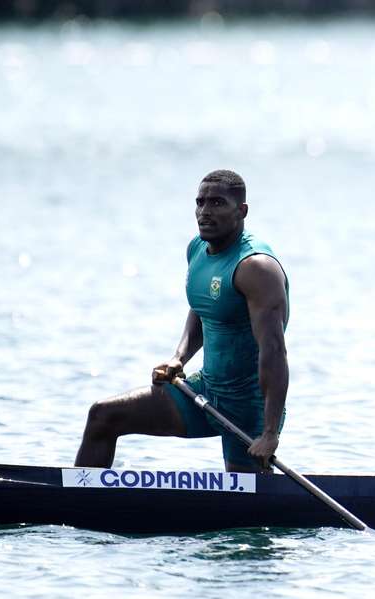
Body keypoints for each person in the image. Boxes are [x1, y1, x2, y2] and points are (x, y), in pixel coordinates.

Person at [75, 169, 289, 473]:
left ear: (242, 211)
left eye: (216, 203)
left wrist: (269, 434)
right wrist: (179, 357)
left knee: (252, 509)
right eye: (200, 203)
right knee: (103, 416)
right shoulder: (197, 249)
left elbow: (274, 353)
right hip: (205, 390)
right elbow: (204, 307)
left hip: (248, 409)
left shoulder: (256, 269)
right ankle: (81, 500)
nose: (204, 212)